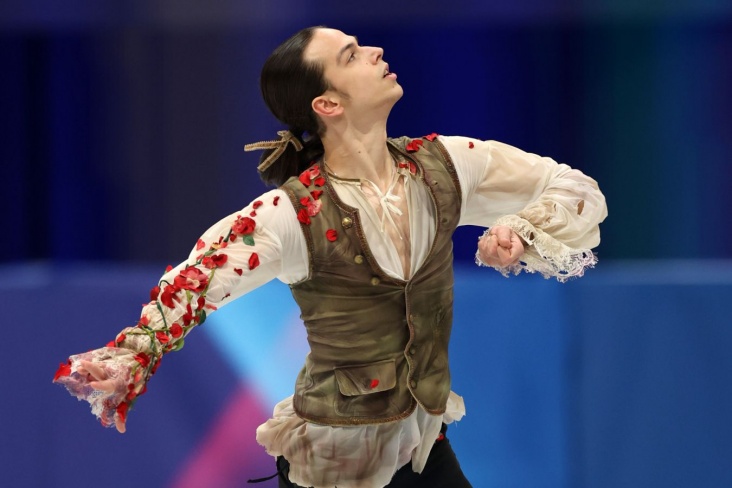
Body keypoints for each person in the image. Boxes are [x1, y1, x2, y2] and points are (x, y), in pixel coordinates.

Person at [53, 26, 607, 488]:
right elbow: (195, 282)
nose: (376, 51)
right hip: (333, 468)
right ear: (328, 104)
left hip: (422, 448)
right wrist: (131, 355)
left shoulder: (447, 165)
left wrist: (522, 230)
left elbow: (571, 185)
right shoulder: (290, 214)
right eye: (351, 55)